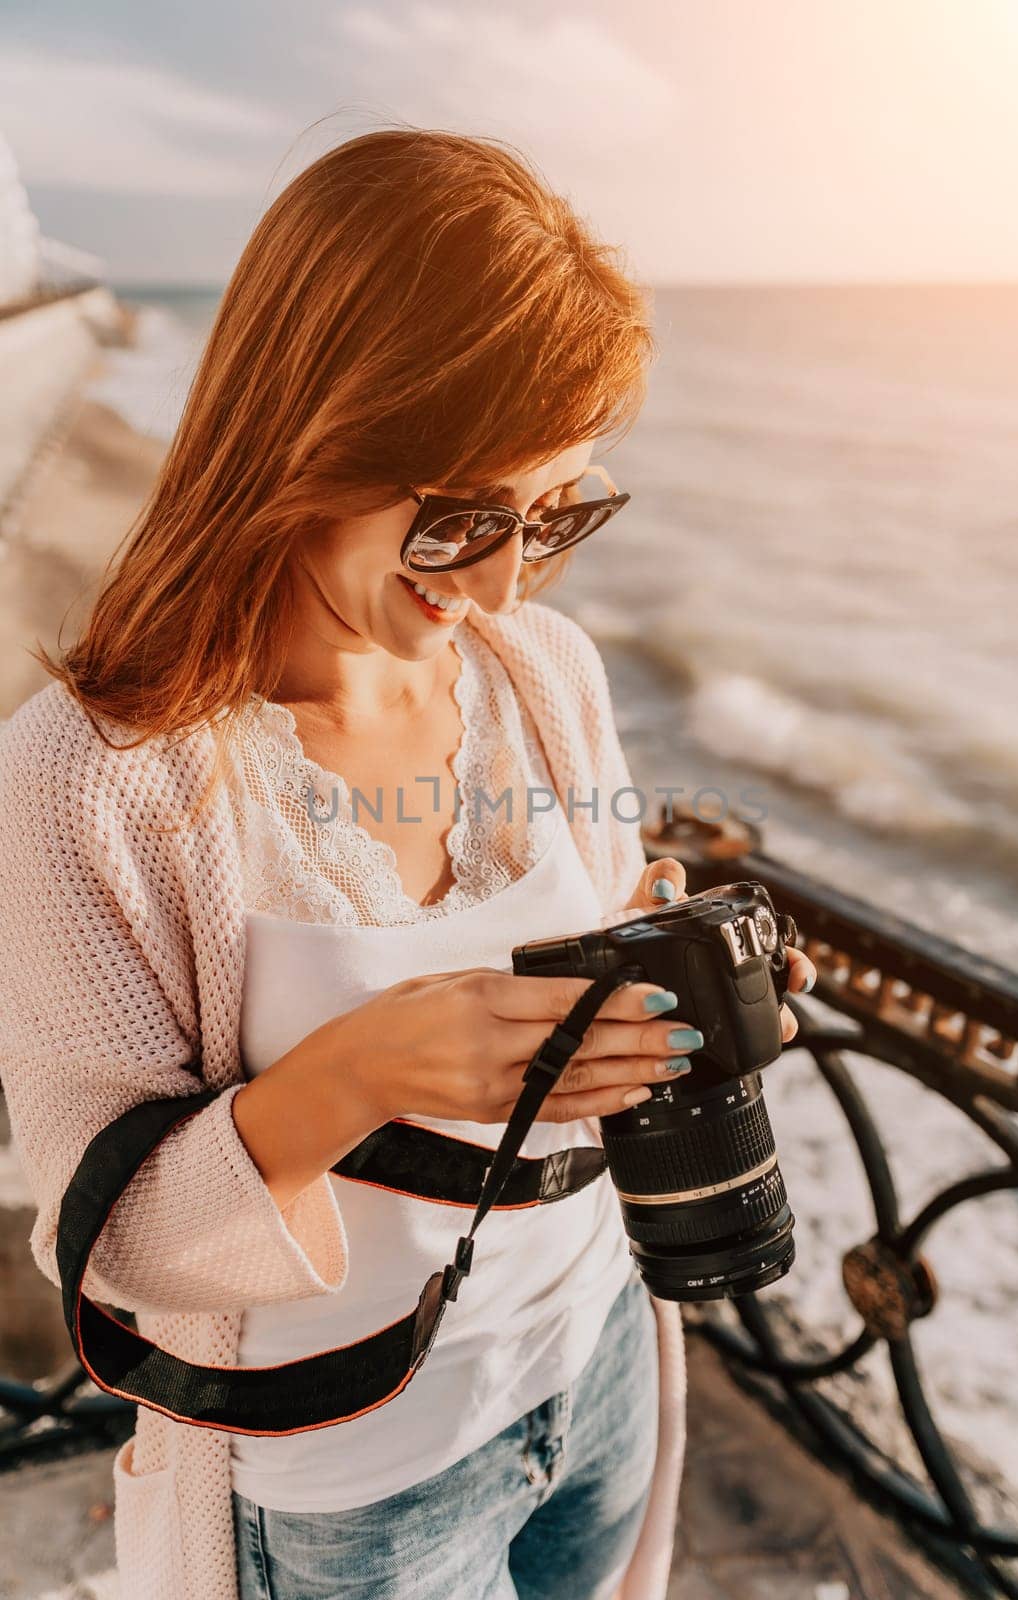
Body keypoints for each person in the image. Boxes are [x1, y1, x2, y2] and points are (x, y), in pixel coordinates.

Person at [0, 126, 814, 1600]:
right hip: (347, 1483)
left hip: (597, 1358)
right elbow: (98, 1238)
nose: (502, 581)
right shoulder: (89, 777)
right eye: (458, 518)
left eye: (556, 512)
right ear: (306, 436)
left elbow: (606, 904)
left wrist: (671, 976)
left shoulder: (546, 675)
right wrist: (360, 1074)